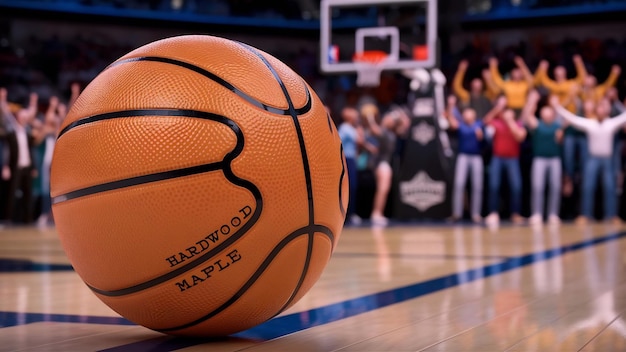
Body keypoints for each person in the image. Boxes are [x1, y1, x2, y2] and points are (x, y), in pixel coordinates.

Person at [551, 97, 626, 225]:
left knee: (610, 186)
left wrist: (620, 104)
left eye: (603, 109)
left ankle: (612, 215)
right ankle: (586, 214)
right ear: (596, 111)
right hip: (593, 158)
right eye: (599, 109)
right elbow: (573, 119)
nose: (601, 111)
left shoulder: (611, 123)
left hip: (607, 159)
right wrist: (557, 107)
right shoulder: (590, 123)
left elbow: (623, 117)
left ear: (606, 112)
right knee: (588, 186)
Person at [484, 96, 527, 226]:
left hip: (512, 159)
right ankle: (493, 213)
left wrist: (510, 122)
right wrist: (498, 108)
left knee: (516, 186)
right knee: (494, 185)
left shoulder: (518, 124)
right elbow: (486, 120)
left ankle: (515, 213)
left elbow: (520, 137)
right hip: (498, 158)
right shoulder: (497, 123)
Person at [521, 90, 563, 225]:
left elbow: (566, 117)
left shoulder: (558, 125)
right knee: (537, 187)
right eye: (544, 113)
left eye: (549, 113)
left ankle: (553, 214)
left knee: (555, 187)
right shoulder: (538, 124)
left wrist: (557, 105)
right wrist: (532, 101)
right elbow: (526, 117)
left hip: (555, 159)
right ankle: (537, 213)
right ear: (541, 114)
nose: (547, 115)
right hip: (539, 159)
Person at [1, 89, 38, 224]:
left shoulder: (27, 131)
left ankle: (28, 219)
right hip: (15, 166)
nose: (23, 118)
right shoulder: (12, 131)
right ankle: (8, 219)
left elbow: (31, 151)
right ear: (17, 118)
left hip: (27, 166)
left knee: (28, 193)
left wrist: (33, 102)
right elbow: (6, 114)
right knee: (11, 193)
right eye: (21, 116)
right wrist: (3, 98)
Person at [445, 95, 484, 223]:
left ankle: (476, 214)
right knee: (459, 184)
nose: (467, 116)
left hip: (476, 157)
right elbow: (452, 122)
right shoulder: (461, 125)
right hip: (463, 156)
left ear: (474, 115)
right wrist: (451, 106)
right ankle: (457, 213)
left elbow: (485, 140)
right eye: (465, 114)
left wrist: (482, 136)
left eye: (469, 113)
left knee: (477, 185)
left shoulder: (479, 124)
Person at [338, 106, 364, 225]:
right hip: (347, 158)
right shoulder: (345, 128)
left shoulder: (350, 128)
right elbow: (359, 141)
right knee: (350, 186)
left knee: (353, 186)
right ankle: (348, 214)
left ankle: (350, 213)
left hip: (352, 158)